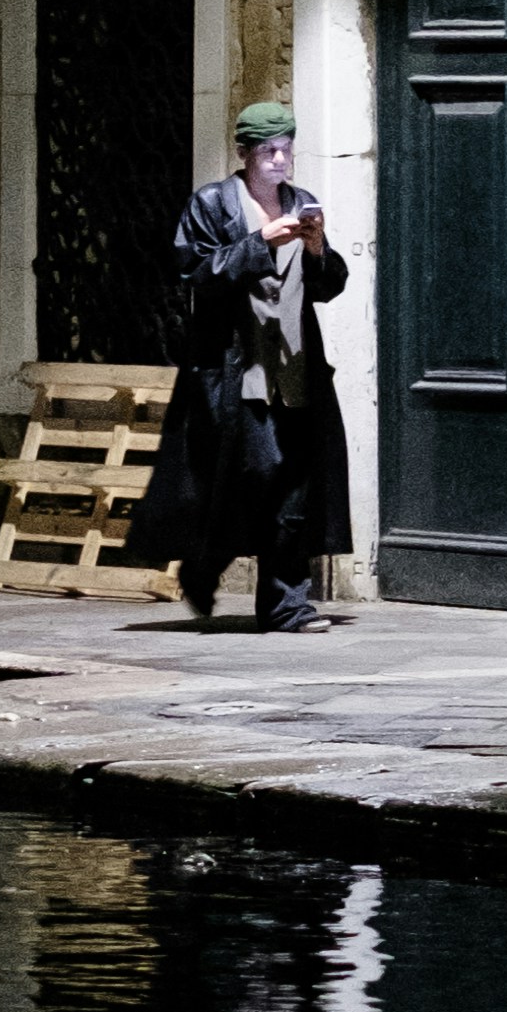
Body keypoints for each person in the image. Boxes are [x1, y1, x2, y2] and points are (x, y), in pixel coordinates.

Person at [128, 101, 355, 632]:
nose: (280, 161)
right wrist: (258, 243)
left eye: (287, 150)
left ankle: (287, 606)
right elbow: (194, 274)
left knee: (295, 485)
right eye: (269, 151)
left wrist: (318, 248)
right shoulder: (212, 203)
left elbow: (328, 285)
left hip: (296, 372)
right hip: (238, 373)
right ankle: (206, 563)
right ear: (245, 154)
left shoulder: (301, 203)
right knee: (257, 476)